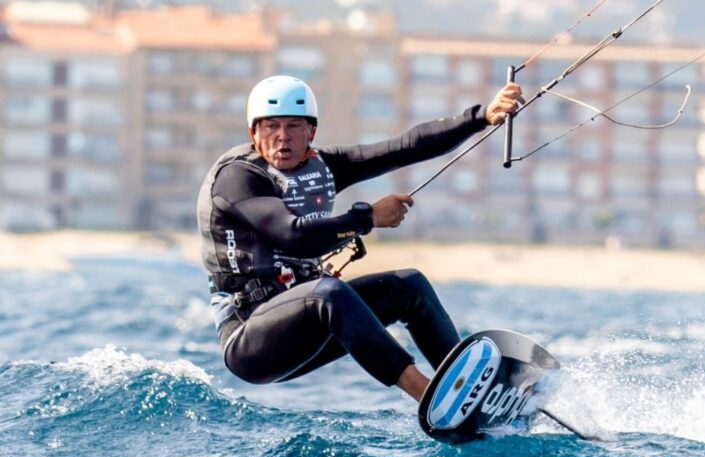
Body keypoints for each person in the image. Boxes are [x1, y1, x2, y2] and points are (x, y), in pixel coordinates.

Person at [197, 75, 524, 402]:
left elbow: (404, 147)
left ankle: (470, 390)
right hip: (250, 341)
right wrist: (368, 219)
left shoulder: (323, 167)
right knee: (330, 292)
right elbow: (294, 237)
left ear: (311, 132)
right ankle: (429, 396)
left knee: (409, 286)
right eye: (271, 126)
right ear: (253, 133)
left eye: (294, 126)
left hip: (311, 324)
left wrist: (480, 117)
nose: (283, 137)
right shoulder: (238, 177)